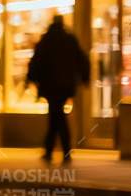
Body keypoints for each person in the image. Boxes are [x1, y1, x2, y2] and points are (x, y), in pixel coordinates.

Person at [25, 15, 89, 162]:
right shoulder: (70, 40)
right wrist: (84, 78)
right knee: (57, 116)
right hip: (65, 86)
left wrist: (30, 79)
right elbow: (82, 59)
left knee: (56, 116)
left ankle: (56, 151)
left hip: (50, 86)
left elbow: (36, 62)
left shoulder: (46, 40)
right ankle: (58, 151)